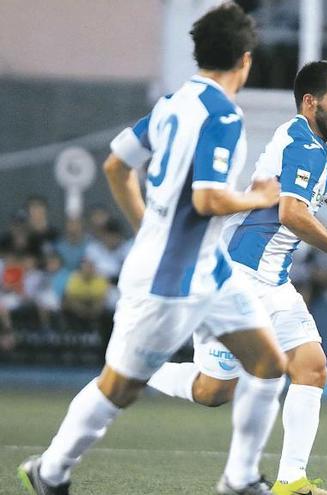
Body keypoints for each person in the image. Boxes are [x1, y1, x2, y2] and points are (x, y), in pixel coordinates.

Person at [17, 4, 288, 495]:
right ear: (245, 61)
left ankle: (240, 479)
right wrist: (260, 197)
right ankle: (50, 471)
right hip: (168, 282)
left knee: (270, 364)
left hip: (211, 270)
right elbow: (208, 199)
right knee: (118, 388)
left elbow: (116, 166)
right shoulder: (223, 114)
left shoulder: (172, 103)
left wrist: (146, 225)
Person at [145, 60, 327, 495]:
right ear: (311, 102)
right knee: (214, 391)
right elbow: (292, 213)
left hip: (275, 284)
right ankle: (142, 367)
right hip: (238, 281)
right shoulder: (298, 142)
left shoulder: (320, 150)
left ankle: (292, 481)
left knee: (312, 368)